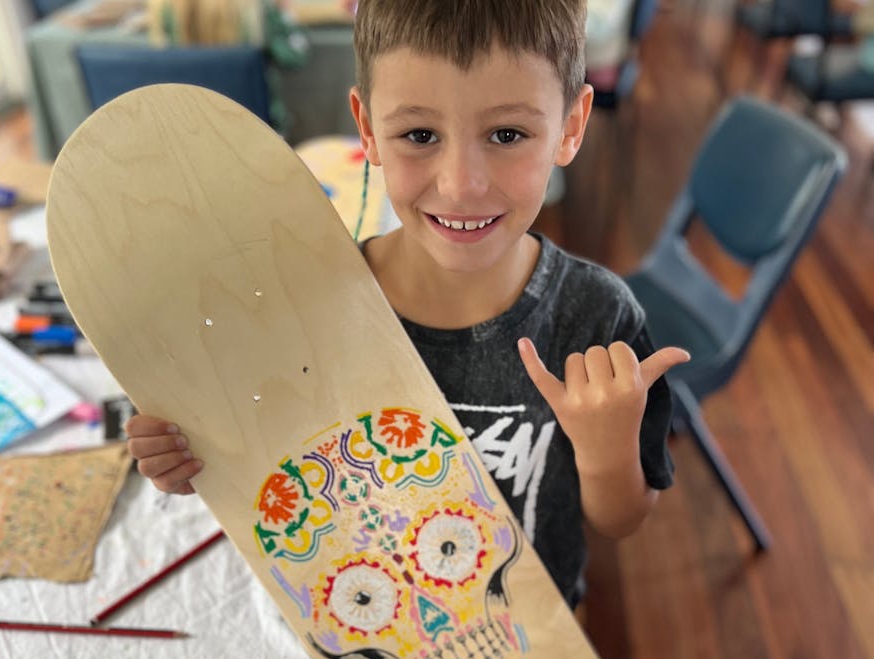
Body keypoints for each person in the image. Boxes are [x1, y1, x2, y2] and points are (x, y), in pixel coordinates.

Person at [126, 0, 690, 612]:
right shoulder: (313, 307)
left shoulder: (596, 319)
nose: (460, 184)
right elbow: (269, 467)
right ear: (367, 128)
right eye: (419, 135)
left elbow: (623, 519)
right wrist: (192, 454)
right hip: (366, 621)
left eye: (507, 134)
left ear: (571, 126)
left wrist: (605, 454)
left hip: (531, 641)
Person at [145, 0, 309, 134]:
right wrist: (285, 12)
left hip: (183, 130)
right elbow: (295, 57)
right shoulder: (258, 9)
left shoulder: (163, 10)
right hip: (255, 133)